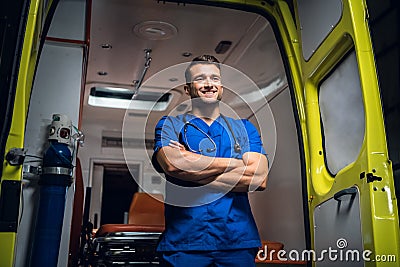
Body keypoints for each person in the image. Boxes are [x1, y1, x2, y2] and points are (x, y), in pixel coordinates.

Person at [152, 55, 269, 267]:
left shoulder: (243, 128)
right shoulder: (170, 124)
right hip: (185, 242)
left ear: (221, 87)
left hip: (236, 241)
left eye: (215, 78)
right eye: (200, 79)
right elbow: (172, 165)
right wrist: (235, 163)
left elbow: (258, 178)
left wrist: (191, 167)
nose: (209, 84)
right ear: (187, 90)